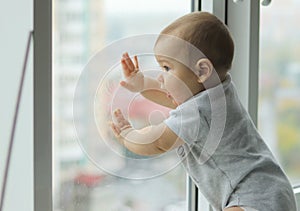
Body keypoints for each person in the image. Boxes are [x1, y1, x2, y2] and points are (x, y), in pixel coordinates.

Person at [109, 12, 297, 211]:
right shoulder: (218, 93)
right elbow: (173, 98)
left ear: (201, 71)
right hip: (273, 188)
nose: (161, 78)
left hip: (251, 198)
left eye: (166, 68)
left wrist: (127, 135)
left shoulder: (197, 112)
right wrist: (142, 84)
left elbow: (157, 142)